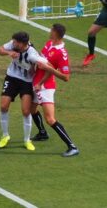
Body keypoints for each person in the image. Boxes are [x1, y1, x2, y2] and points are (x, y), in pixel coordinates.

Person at [0, 31, 62, 151]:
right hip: (11, 77)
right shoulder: (13, 45)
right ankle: (5, 136)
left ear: (22, 44)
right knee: (3, 106)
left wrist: (43, 78)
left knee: (26, 111)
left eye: (16, 42)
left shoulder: (32, 55)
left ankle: (27, 140)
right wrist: (8, 52)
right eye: (13, 42)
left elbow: (49, 66)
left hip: (26, 82)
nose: (13, 43)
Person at [29, 24, 79, 157]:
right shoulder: (49, 43)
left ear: (56, 33)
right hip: (37, 83)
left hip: (46, 88)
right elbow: (42, 59)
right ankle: (42, 133)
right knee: (31, 109)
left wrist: (48, 69)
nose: (49, 31)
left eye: (51, 30)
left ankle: (72, 146)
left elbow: (66, 77)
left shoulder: (61, 54)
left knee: (50, 119)